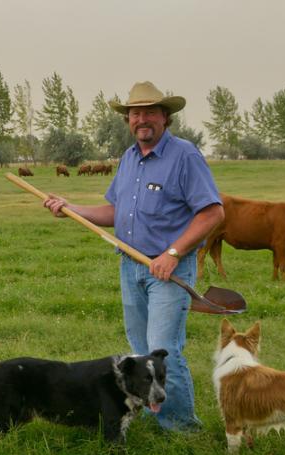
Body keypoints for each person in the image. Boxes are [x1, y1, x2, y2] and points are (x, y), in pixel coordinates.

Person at [42, 81, 224, 433]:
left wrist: (173, 253)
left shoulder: (184, 156)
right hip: (131, 266)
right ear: (128, 119)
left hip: (167, 270)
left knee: (162, 348)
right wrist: (71, 208)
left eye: (150, 112)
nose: (142, 119)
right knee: (140, 351)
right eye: (135, 113)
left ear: (165, 118)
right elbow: (115, 210)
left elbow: (212, 213)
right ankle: (153, 416)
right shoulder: (129, 158)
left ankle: (183, 429)